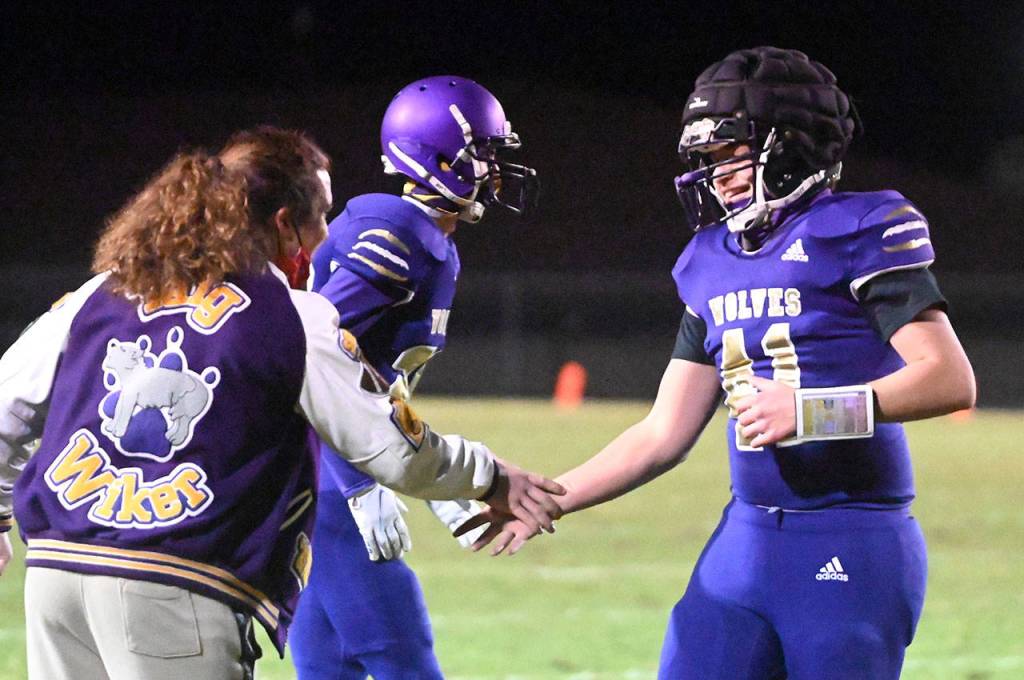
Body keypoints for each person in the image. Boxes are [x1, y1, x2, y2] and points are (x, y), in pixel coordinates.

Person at [465, 47, 976, 679]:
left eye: (727, 153)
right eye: (705, 159)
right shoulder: (710, 261)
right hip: (746, 539)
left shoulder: (858, 228)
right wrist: (552, 498)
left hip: (851, 535)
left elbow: (950, 379)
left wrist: (812, 411)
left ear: (789, 146)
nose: (714, 173)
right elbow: (662, 434)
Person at [0, 125, 562, 680]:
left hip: (57, 575)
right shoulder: (290, 317)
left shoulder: (105, 290)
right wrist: (491, 477)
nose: (326, 235)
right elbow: (391, 447)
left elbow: (9, 403)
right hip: (178, 580)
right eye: (321, 216)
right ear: (284, 224)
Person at [289, 75, 538, 680]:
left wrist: (439, 486)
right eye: (485, 152)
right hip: (322, 478)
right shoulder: (395, 234)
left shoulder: (429, 239)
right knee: (404, 657)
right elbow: (312, 358)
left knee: (329, 665)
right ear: (442, 158)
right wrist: (359, 482)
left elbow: (376, 385)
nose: (496, 169)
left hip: (315, 476)